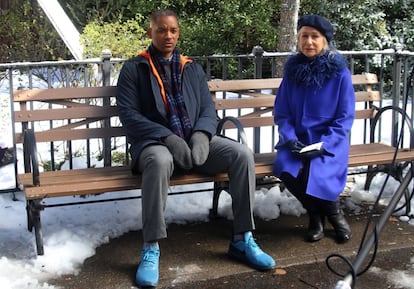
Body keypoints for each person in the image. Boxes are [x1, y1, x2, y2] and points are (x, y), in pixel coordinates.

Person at [116, 9, 275, 288]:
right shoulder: (134, 69)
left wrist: (202, 135)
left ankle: (242, 238)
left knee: (241, 154)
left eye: (173, 30)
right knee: (160, 161)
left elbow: (206, 109)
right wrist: (167, 137)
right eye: (162, 30)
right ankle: (151, 246)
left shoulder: (191, 68)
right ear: (150, 32)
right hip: (154, 144)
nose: (168, 36)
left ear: (179, 32)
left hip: (193, 141)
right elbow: (129, 115)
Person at [273, 14, 355, 244]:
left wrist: (325, 144)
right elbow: (282, 113)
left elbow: (345, 118)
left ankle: (333, 214)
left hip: (330, 142)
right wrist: (289, 139)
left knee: (316, 169)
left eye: (314, 37)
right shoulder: (292, 74)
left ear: (324, 41)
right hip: (297, 141)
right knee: (285, 167)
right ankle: (315, 214)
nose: (309, 42)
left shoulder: (340, 74)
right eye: (304, 36)